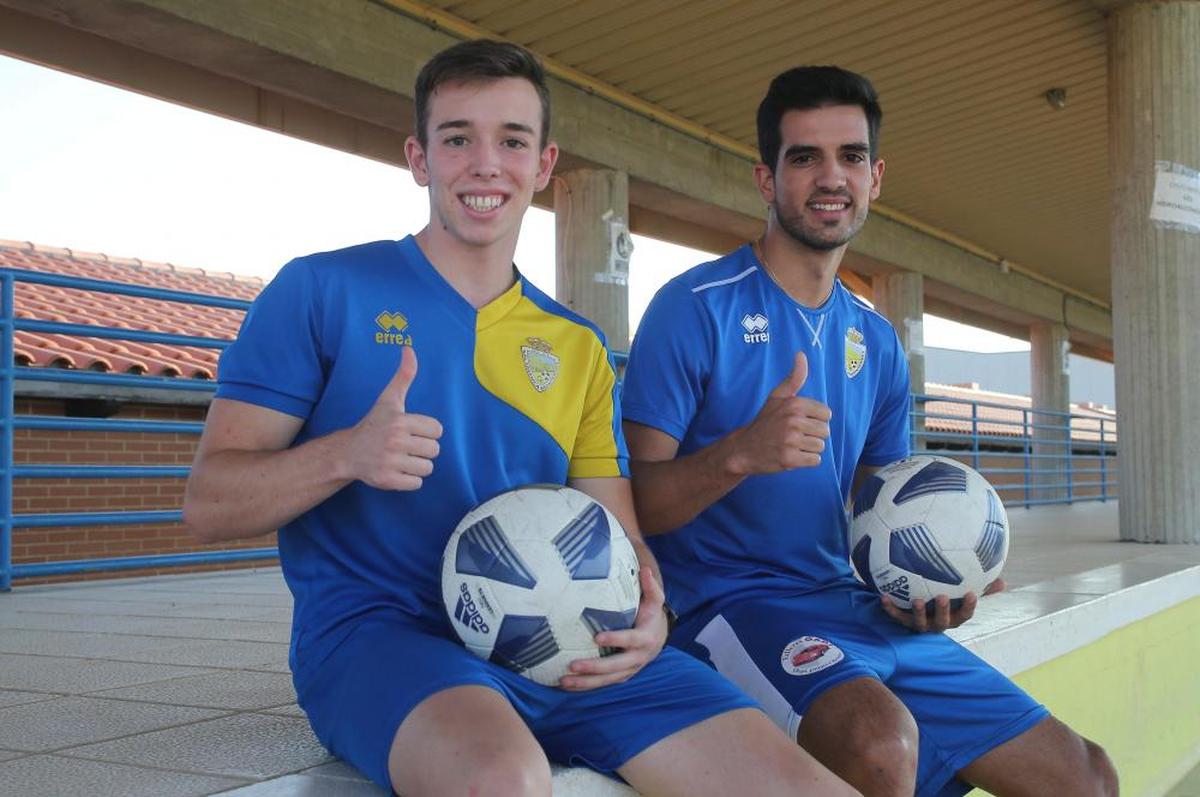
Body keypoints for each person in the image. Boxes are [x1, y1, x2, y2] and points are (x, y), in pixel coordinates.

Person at [183, 40, 857, 797]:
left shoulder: (578, 347)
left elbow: (621, 535)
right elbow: (208, 503)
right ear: (418, 157)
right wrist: (346, 454)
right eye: (457, 137)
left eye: (512, 140)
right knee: (504, 782)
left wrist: (651, 615)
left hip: (572, 642)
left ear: (543, 165)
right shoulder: (320, 290)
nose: (485, 163)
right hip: (383, 641)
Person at [621, 65, 1119, 797]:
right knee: (880, 746)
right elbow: (630, 506)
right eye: (805, 157)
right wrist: (738, 454)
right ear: (767, 179)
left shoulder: (876, 341)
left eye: (850, 156)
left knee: (1086, 776)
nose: (831, 177)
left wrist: (927, 582)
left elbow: (875, 510)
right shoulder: (693, 307)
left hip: (853, 608)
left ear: (876, 176)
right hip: (729, 608)